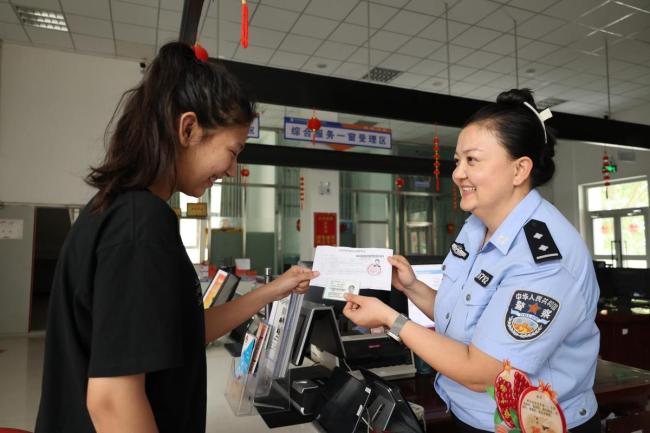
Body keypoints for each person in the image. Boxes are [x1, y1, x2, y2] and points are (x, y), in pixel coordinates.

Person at [34, 42, 317, 433]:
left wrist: (273, 290)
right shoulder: (141, 225)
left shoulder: (116, 210)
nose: (233, 170)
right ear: (188, 128)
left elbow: (183, 333)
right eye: (233, 152)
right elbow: (112, 401)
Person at [343, 89, 600, 433]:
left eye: (472, 160)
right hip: (470, 417)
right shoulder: (476, 227)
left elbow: (483, 372)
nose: (458, 173)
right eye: (457, 161)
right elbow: (467, 322)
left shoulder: (544, 259)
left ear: (519, 169)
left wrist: (393, 320)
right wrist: (412, 287)